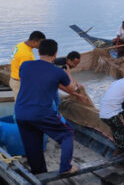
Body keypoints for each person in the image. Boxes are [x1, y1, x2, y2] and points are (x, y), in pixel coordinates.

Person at [15, 39, 82, 175]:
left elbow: (31, 79)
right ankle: (65, 168)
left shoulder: (25, 65)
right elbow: (71, 87)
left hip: (21, 112)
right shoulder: (58, 72)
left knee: (33, 145)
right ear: (55, 53)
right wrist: (67, 72)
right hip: (42, 113)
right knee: (68, 132)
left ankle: (39, 174)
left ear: (38, 51)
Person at [10, 31, 46, 100]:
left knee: (19, 103)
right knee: (22, 106)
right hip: (20, 83)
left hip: (13, 78)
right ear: (35, 41)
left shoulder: (20, 45)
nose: (42, 45)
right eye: (41, 43)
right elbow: (25, 73)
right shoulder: (26, 55)